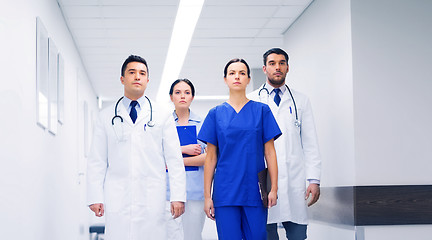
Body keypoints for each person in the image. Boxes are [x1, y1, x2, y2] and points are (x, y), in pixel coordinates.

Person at [87, 55, 186, 239]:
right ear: (122, 79)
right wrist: (95, 196)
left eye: (142, 73)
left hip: (152, 195)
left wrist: (178, 196)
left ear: (148, 80)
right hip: (118, 194)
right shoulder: (105, 116)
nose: (137, 77)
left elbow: (174, 160)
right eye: (132, 72)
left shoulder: (162, 115)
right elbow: (97, 160)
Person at [198, 58, 282, 240]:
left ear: (248, 79)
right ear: (225, 79)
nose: (237, 77)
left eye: (242, 73)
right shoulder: (215, 114)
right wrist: (207, 196)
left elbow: (270, 153)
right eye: (232, 73)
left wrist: (273, 188)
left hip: (255, 191)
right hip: (225, 192)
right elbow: (210, 158)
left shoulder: (262, 111)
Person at [248, 48, 322, 240]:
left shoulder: (301, 100)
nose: (277, 67)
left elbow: (310, 143)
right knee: (266, 233)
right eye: (272, 63)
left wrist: (314, 179)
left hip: (294, 178)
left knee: (298, 235)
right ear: (264, 69)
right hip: (265, 180)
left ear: (288, 68)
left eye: (281, 63)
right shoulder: (253, 100)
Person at [165, 79, 207, 240]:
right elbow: (156, 156)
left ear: (192, 97)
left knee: (193, 236)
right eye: (178, 92)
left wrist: (175, 161)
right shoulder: (164, 123)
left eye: (187, 92)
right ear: (171, 97)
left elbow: (209, 157)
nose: (182, 96)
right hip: (169, 192)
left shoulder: (203, 124)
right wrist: (184, 150)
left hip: (195, 191)